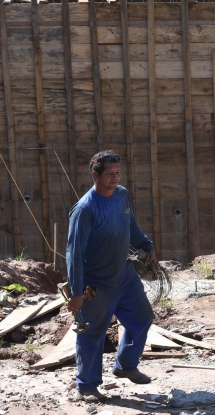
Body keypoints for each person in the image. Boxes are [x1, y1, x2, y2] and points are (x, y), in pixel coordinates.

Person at [66, 150, 157, 403]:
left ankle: (125, 365)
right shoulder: (85, 210)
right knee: (92, 334)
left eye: (118, 173)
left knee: (142, 318)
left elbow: (131, 227)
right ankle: (87, 386)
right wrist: (75, 293)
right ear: (95, 174)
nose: (115, 178)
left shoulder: (122, 195)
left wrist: (146, 244)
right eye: (109, 174)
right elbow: (73, 254)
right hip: (97, 284)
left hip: (124, 276)